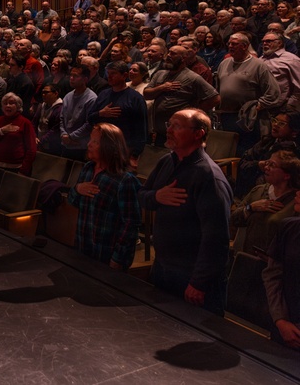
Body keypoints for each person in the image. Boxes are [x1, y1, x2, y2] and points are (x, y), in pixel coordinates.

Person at [138, 109, 232, 315]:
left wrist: (199, 282)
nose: (169, 130)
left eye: (177, 126)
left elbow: (216, 237)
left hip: (192, 276)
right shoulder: (167, 161)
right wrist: (157, 196)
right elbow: (142, 195)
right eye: (169, 125)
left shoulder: (208, 176)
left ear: (198, 134)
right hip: (164, 266)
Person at [67, 123, 142, 270]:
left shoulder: (124, 180)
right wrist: (77, 189)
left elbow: (131, 225)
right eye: (90, 140)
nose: (89, 144)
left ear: (109, 146)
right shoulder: (88, 169)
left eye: (95, 142)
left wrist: (117, 259)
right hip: (83, 247)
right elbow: (72, 202)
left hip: (106, 254)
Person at [231, 151, 299, 256]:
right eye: (267, 163)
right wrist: (251, 208)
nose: (266, 167)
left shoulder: (296, 201)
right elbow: (233, 219)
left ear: (286, 175)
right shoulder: (258, 191)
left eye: (272, 165)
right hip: (249, 258)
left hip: (276, 264)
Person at [263, 189, 300, 349]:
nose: (297, 193)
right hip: (285, 330)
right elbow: (272, 275)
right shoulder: (288, 227)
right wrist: (280, 319)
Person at [0, 93, 37, 175]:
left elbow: (31, 149)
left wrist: (23, 170)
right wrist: (1, 131)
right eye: (5, 103)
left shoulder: (25, 123)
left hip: (16, 168)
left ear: (18, 106)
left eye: (11, 103)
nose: (7, 105)